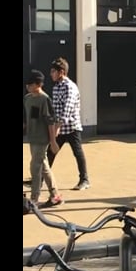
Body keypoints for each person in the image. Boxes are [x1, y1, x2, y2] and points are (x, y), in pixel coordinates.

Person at [46, 57, 89, 190]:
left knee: (77, 152)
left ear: (62, 72)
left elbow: (67, 109)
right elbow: (55, 108)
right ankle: (40, 178)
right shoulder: (56, 87)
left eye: (53, 71)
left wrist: (58, 127)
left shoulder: (70, 87)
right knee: (50, 152)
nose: (51, 74)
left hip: (71, 127)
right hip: (59, 127)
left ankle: (84, 180)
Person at [24, 71, 61, 208]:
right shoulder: (28, 98)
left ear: (38, 84)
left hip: (42, 139)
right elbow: (29, 118)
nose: (28, 86)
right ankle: (55, 195)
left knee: (35, 167)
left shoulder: (44, 100)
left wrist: (53, 141)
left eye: (31, 84)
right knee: (44, 166)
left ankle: (34, 198)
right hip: (32, 138)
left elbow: (50, 122)